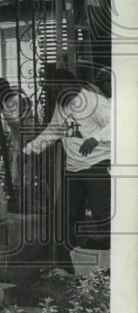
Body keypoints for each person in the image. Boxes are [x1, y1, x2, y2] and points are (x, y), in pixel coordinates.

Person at [24, 71, 111, 251]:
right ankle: (66, 257)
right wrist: (30, 149)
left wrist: (96, 138)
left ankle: (108, 262)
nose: (57, 94)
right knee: (64, 214)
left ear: (70, 85)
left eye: (59, 89)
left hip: (98, 164)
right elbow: (53, 130)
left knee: (101, 212)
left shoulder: (94, 102)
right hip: (73, 168)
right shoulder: (61, 105)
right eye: (54, 91)